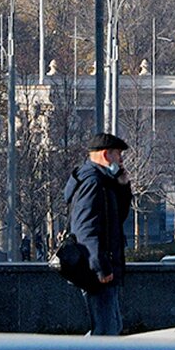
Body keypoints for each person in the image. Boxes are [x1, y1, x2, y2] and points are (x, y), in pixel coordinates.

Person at [63, 132, 132, 336]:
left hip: (102, 266)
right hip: (98, 270)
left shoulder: (103, 182)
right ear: (105, 155)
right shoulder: (93, 183)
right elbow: (86, 228)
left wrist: (123, 186)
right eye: (118, 155)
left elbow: (118, 216)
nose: (121, 160)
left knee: (112, 326)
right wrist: (100, 266)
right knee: (106, 330)